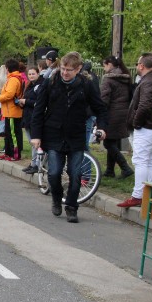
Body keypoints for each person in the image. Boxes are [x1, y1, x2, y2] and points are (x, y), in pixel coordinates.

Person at [30, 52, 108, 223]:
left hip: (76, 135)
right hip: (54, 134)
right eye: (63, 69)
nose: (65, 73)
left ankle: (72, 207)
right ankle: (57, 198)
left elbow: (100, 108)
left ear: (78, 69)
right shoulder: (50, 82)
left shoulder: (86, 84)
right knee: (54, 173)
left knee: (75, 173)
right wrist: (36, 135)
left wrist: (102, 127)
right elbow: (38, 110)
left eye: (69, 70)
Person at [117, 53, 152, 208]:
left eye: (138, 63)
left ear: (141, 65)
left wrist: (136, 123)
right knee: (151, 160)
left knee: (140, 160)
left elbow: (144, 105)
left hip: (146, 127)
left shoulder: (149, 81)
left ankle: (138, 195)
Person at [99, 56, 134, 178]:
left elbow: (104, 99)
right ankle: (110, 170)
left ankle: (125, 168)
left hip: (112, 114)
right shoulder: (125, 77)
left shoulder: (108, 79)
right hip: (123, 112)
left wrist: (100, 113)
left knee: (108, 143)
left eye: (104, 66)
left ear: (109, 64)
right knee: (112, 141)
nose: (104, 69)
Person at [0, 59, 24, 161]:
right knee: (8, 134)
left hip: (12, 111)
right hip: (8, 111)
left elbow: (9, 94)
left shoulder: (13, 79)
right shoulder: (12, 78)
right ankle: (8, 153)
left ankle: (15, 155)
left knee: (13, 134)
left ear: (8, 68)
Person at [20, 65, 45, 174]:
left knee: (36, 143)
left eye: (33, 74)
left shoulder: (40, 85)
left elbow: (39, 103)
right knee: (32, 142)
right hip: (27, 117)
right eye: (29, 74)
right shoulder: (30, 85)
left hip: (35, 118)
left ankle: (37, 164)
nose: (31, 76)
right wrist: (22, 103)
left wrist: (26, 101)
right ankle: (33, 163)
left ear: (38, 73)